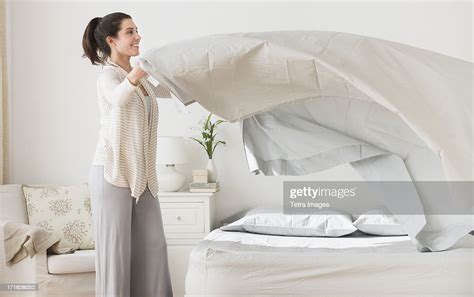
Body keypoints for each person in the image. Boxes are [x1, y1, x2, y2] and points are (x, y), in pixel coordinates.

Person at [82, 12, 173, 297]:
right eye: (130, 32)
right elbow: (119, 97)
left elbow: (171, 92)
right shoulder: (108, 76)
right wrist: (138, 71)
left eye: (137, 30)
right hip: (111, 173)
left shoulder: (141, 79)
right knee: (116, 253)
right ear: (112, 40)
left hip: (143, 176)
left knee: (154, 245)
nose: (138, 37)